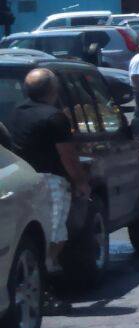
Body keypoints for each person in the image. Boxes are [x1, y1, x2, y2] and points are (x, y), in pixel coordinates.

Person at [4, 68, 92, 277]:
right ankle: (47, 276)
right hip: (51, 181)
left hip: (24, 180)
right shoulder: (55, 118)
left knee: (35, 232)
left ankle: (39, 275)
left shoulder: (16, 114)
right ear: (53, 89)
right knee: (56, 235)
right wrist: (80, 182)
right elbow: (67, 156)